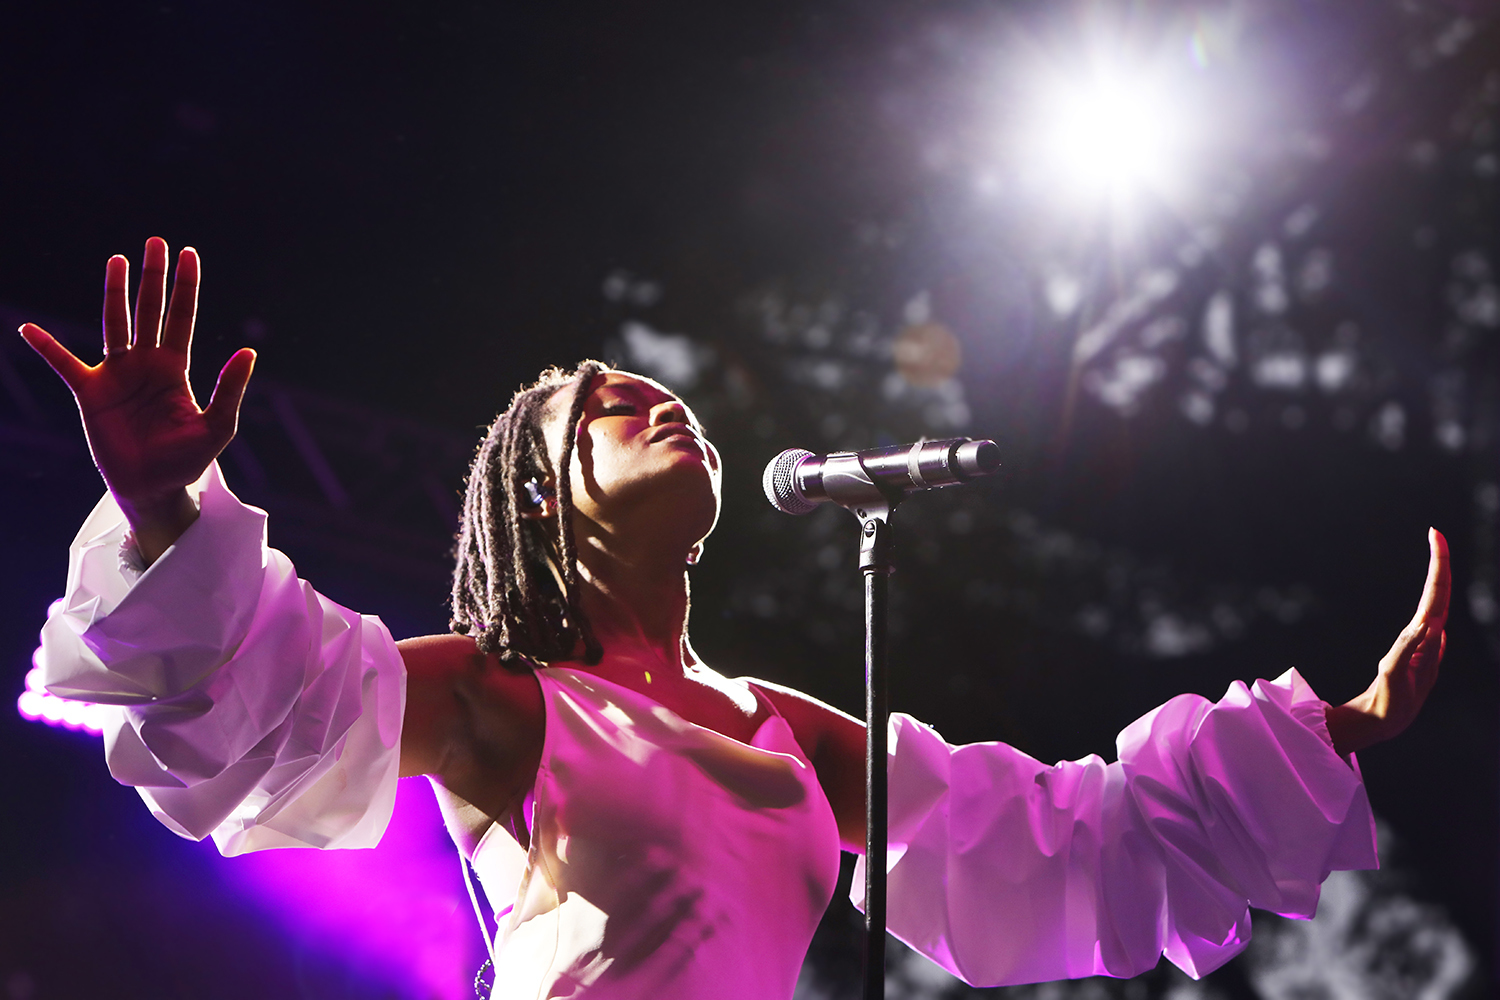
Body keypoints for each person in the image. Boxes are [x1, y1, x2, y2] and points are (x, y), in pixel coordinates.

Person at [23, 238, 1451, 999]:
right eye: (609, 408)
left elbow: (1067, 835)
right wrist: (165, 509)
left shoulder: (786, 735)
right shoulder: (500, 694)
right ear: (540, 499)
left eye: (663, 396)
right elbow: (259, 707)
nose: (660, 401)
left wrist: (1327, 730)